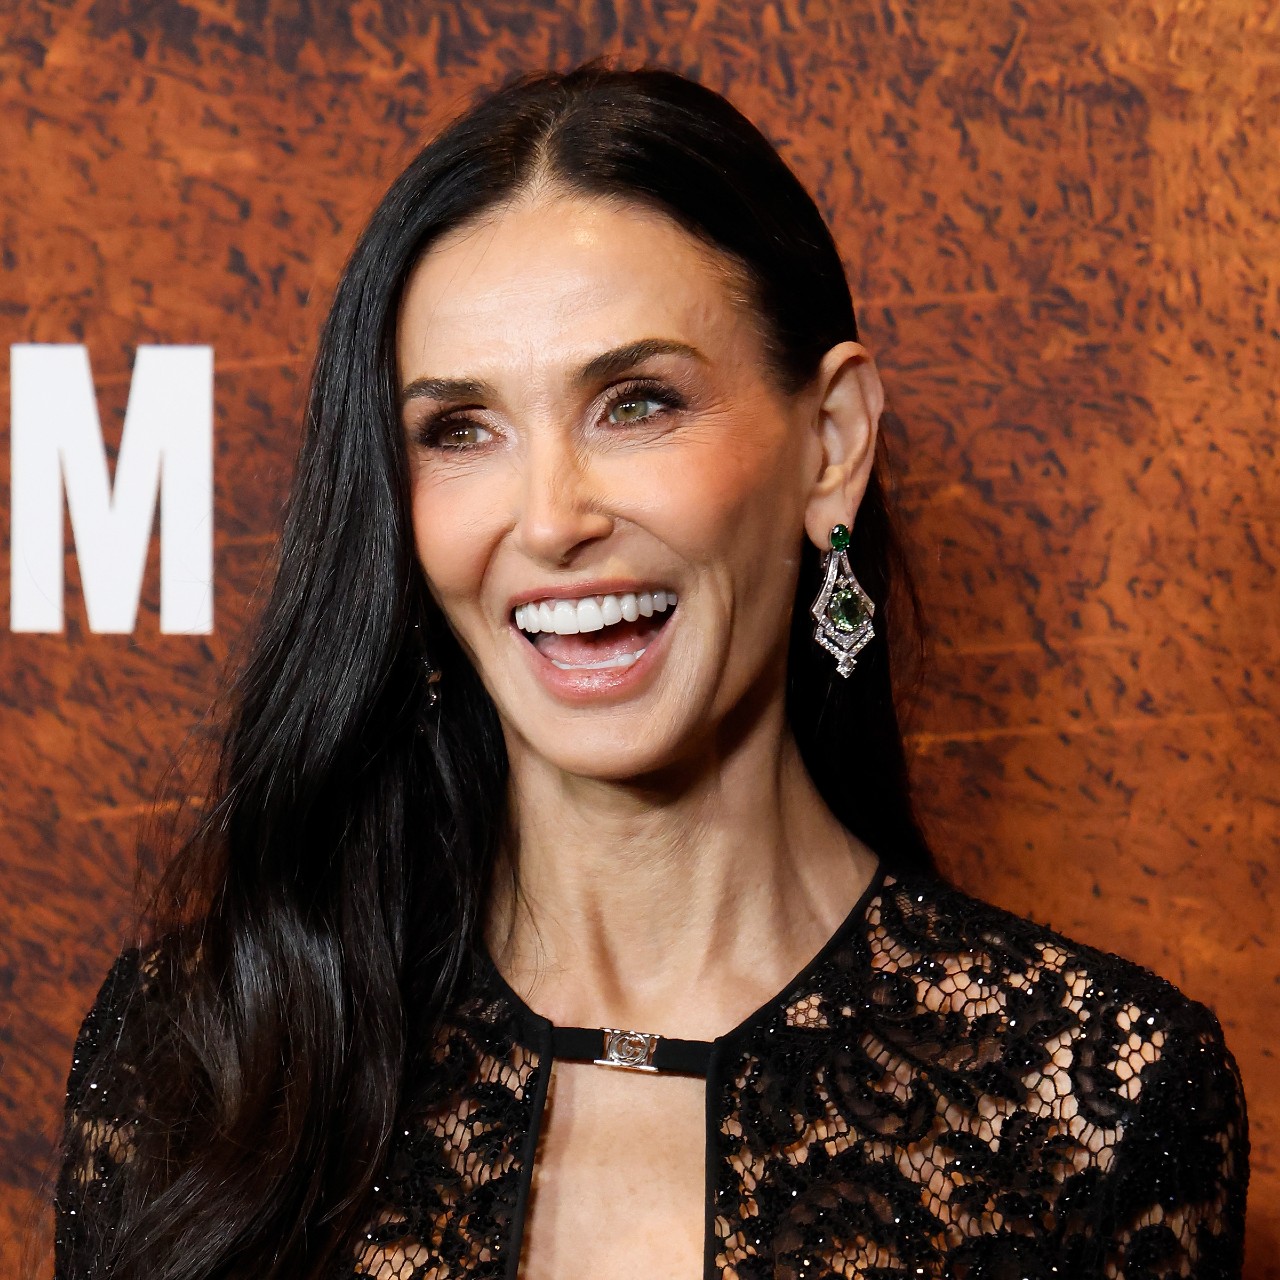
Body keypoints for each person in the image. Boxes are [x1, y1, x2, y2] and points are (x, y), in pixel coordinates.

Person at [55, 63, 1248, 1280]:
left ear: (830, 443)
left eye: (634, 403)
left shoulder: (1097, 1104)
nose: (549, 518)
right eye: (460, 429)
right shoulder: (197, 1055)